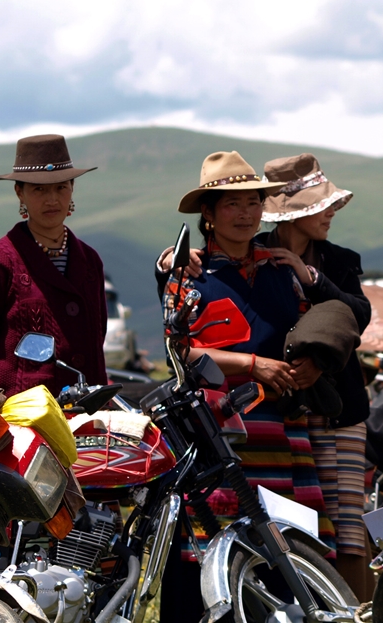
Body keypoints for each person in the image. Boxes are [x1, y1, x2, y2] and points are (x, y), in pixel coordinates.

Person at [156, 151, 340, 618]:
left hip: (280, 428)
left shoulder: (282, 270)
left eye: (252, 202)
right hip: (219, 433)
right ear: (209, 215)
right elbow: (180, 351)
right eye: (231, 204)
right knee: (209, 546)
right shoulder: (188, 274)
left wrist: (311, 364)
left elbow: (308, 330)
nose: (244, 213)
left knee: (285, 544)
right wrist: (252, 365)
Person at [258, 153, 373, 598]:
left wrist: (310, 277)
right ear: (296, 212)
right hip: (280, 410)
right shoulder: (255, 256)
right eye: (319, 206)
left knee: (346, 522)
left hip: (339, 410)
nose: (329, 214)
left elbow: (357, 315)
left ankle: (356, 609)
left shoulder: (339, 261)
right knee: (295, 522)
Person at [0, 134, 107, 398]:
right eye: (39, 189)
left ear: (72, 189)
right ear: (19, 192)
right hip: (24, 417)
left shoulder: (90, 262)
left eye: (61, 187)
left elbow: (98, 337)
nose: (52, 199)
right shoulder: (0, 262)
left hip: (88, 411)